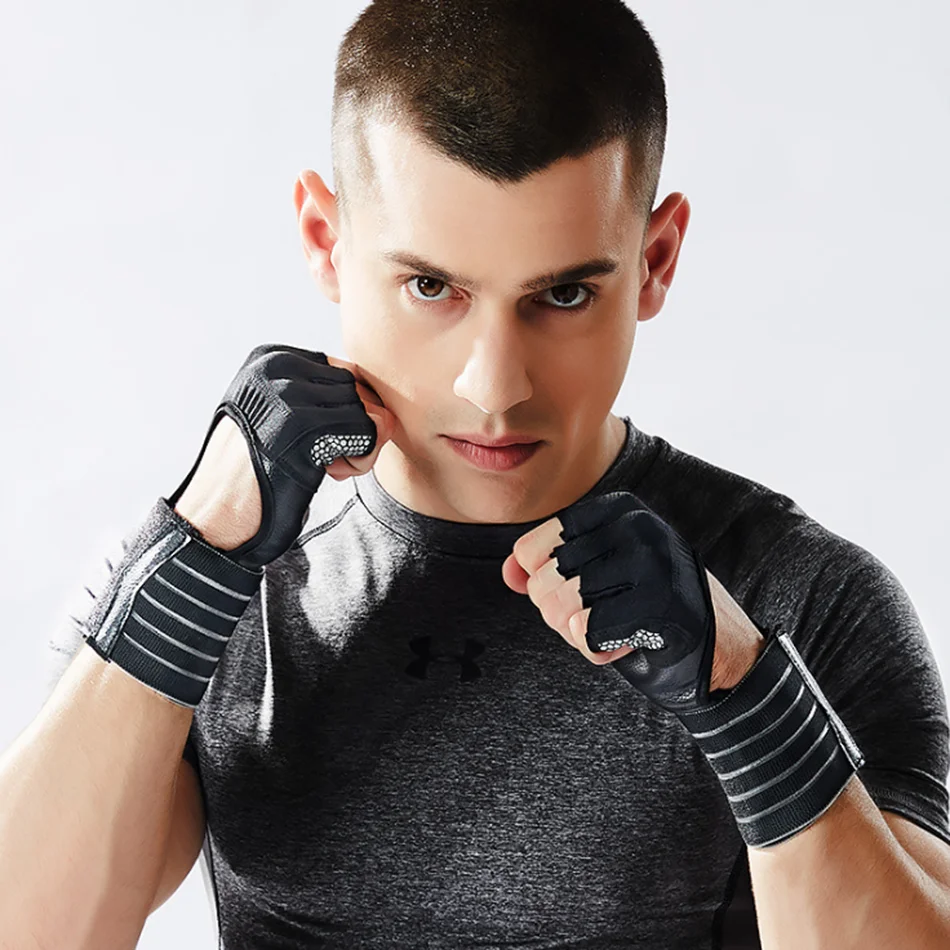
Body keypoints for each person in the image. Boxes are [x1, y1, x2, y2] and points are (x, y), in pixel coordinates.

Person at [6, 1, 949, 947]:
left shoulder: (803, 596)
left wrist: (746, 697)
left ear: (655, 261)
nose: (494, 388)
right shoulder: (200, 584)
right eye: (432, 288)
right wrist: (198, 556)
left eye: (564, 294)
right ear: (326, 241)